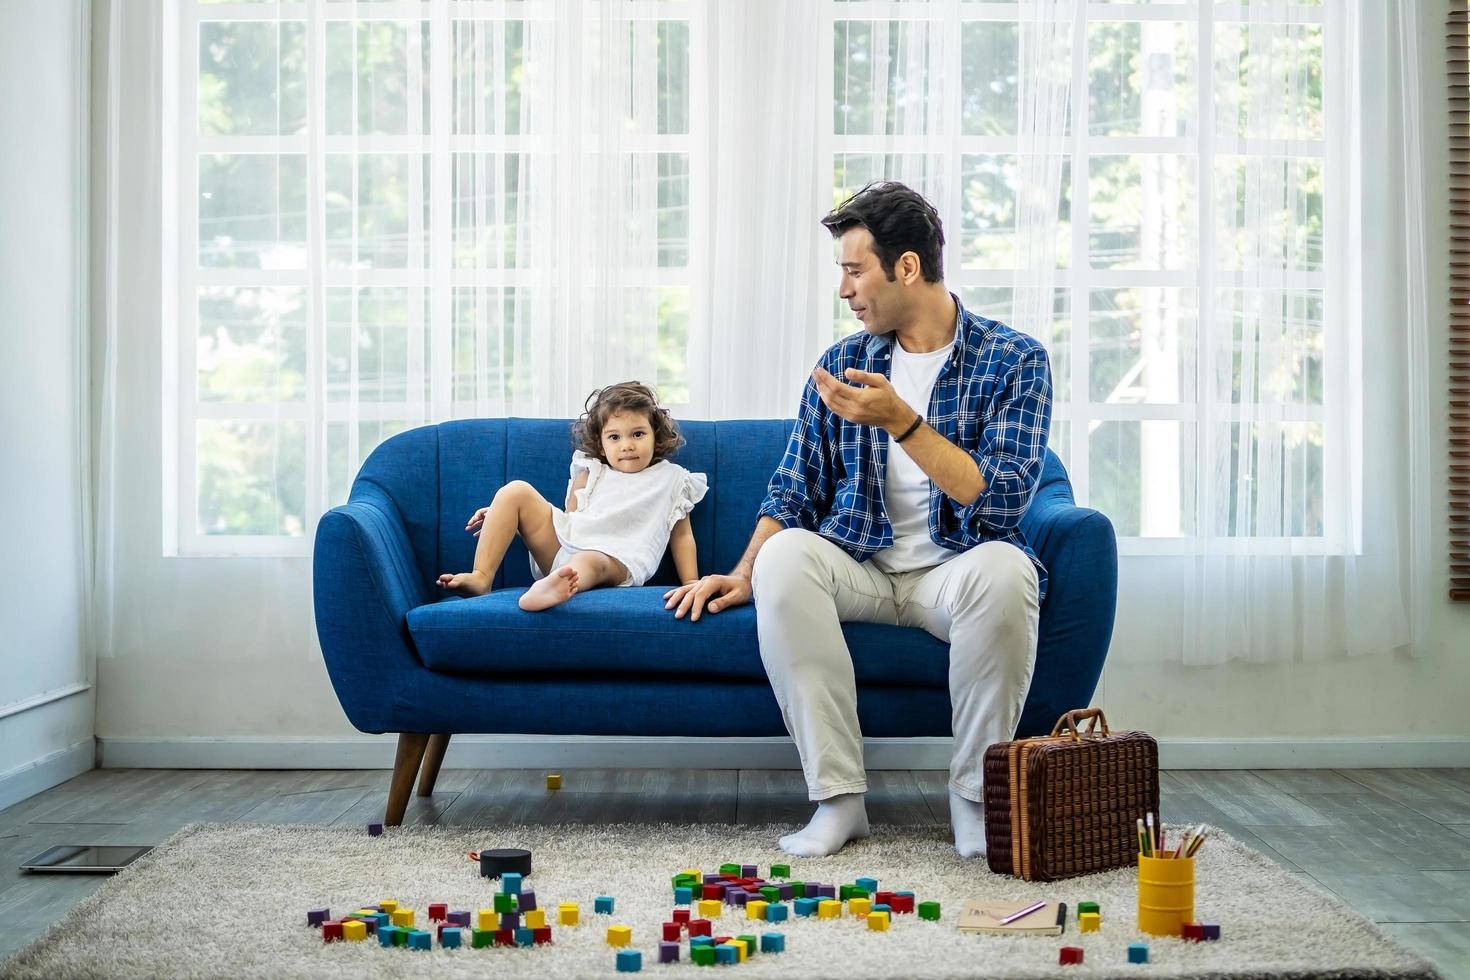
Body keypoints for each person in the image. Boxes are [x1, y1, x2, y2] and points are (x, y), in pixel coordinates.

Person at [663, 181, 1052, 859]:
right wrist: (745, 571)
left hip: (955, 570)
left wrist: (904, 422)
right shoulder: (843, 363)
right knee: (786, 557)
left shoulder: (1015, 360)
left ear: (906, 267)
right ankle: (839, 802)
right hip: (863, 568)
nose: (844, 290)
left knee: (1009, 569)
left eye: (853, 269)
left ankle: (973, 800)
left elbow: (1003, 500)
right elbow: (794, 490)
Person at [439, 381, 708, 612]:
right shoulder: (591, 471)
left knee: (590, 559)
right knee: (514, 491)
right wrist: (508, 520)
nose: (627, 445)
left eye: (638, 434)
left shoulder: (672, 478)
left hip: (615, 558)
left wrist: (691, 583)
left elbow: (682, 535)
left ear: (655, 436)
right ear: (601, 444)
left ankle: (555, 588)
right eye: (614, 437)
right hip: (567, 547)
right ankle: (481, 577)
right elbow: (569, 522)